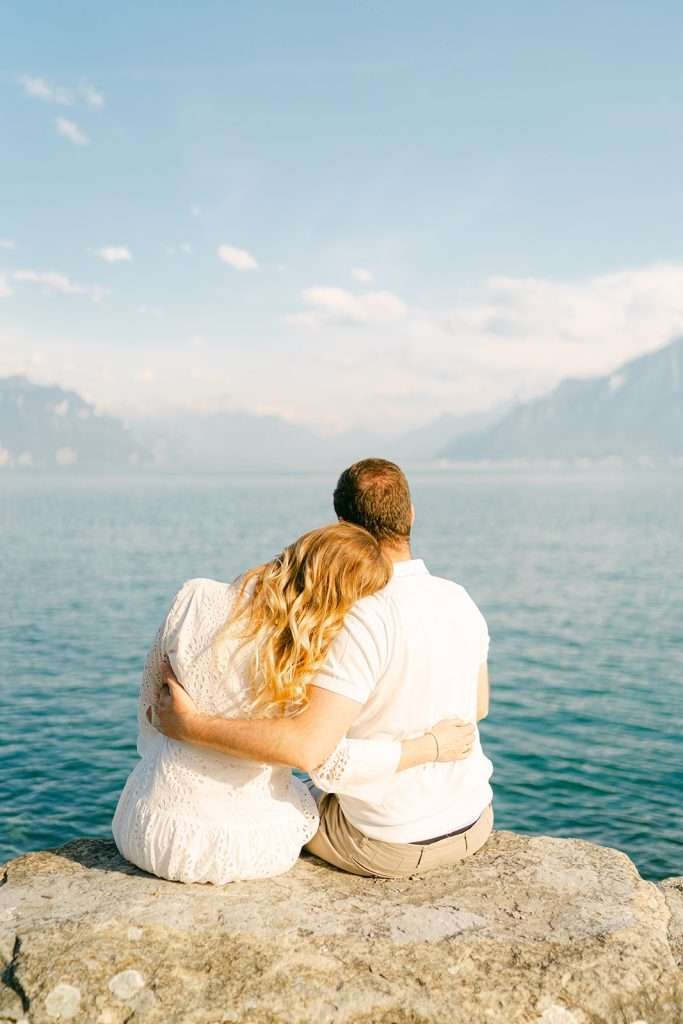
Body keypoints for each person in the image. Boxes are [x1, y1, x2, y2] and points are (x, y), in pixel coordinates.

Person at [153, 459, 494, 879]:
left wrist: (192, 725)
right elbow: (477, 707)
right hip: (474, 820)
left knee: (269, 808)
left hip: (384, 843)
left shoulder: (356, 616)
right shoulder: (458, 598)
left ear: (342, 526)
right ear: (411, 514)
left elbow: (308, 749)